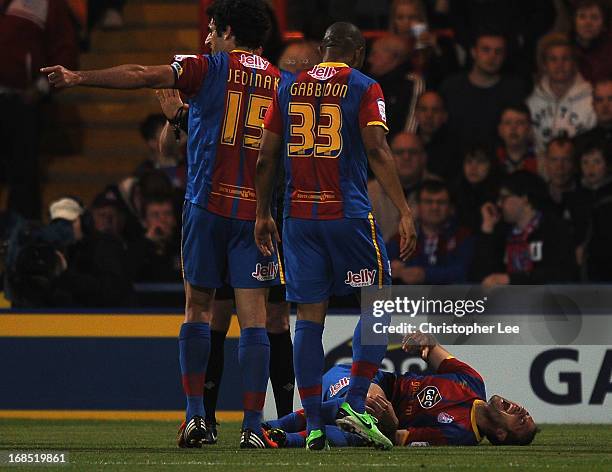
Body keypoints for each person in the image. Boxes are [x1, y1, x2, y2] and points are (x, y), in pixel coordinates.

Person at [42, 0, 283, 449]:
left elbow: (139, 73)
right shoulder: (281, 82)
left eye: (212, 29)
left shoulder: (206, 67)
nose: (207, 37)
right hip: (254, 213)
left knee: (197, 309)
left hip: (206, 207)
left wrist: (80, 76)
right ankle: (253, 425)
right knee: (254, 320)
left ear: (228, 32)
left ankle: (195, 418)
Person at [255, 22, 417, 450]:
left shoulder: (287, 89)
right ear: (359, 53)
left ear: (322, 51)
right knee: (378, 303)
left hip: (298, 219)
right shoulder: (364, 86)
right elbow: (378, 149)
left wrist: (261, 215)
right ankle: (356, 403)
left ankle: (310, 424)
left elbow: (265, 159)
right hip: (345, 213)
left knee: (308, 319)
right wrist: (403, 210)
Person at [264, 331, 539, 447]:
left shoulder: (459, 435)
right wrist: (425, 341)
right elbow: (432, 350)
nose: (520, 409)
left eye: (521, 419)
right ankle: (273, 427)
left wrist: (390, 422)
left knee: (363, 433)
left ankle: (279, 436)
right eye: (525, 411)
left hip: (374, 412)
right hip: (361, 378)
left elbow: (397, 436)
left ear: (501, 434)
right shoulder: (472, 381)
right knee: (366, 405)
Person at [0, 0, 78, 219]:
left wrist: (41, 87)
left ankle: (23, 234)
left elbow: (65, 51)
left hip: (20, 101)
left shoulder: (46, 4)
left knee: (24, 176)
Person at [471, 171, 577, 285]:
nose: (499, 204)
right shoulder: (502, 230)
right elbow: (479, 276)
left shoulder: (553, 229)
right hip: (505, 300)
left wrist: (512, 279)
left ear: (525, 199)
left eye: (504, 197)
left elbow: (562, 274)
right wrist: (487, 228)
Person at [440, 30, 528, 153]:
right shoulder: (451, 87)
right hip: (455, 161)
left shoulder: (514, 89)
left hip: (500, 163)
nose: (492, 57)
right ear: (473, 52)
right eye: (486, 50)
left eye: (498, 51)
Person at [388, 180, 474, 285]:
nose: (434, 207)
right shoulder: (401, 239)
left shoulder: (463, 237)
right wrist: (391, 267)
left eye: (441, 202)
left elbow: (464, 272)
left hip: (452, 300)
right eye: (428, 202)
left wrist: (425, 274)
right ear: (418, 207)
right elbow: (379, 266)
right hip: (410, 299)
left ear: (451, 208)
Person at [527, 33, 596, 156]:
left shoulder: (591, 98)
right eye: (553, 59)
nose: (560, 65)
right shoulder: (531, 99)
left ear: (574, 62)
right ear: (544, 64)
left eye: (565, 59)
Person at [369, 132, 439, 242]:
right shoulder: (369, 192)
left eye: (413, 152)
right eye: (399, 152)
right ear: (388, 157)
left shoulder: (440, 190)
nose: (406, 157)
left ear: (424, 157)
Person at [387, 0, 460, 88]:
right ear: (393, 21)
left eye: (412, 17)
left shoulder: (439, 43)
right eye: (400, 17)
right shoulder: (383, 46)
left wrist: (436, 48)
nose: (406, 23)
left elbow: (451, 76)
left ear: (421, 19)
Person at [366, 34, 425, 138]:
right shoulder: (370, 83)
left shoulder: (412, 83)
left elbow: (411, 123)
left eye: (374, 54)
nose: (370, 60)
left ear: (392, 57)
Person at [414, 91, 457, 179]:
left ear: (445, 116)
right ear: (416, 114)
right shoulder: (407, 143)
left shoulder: (455, 148)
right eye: (423, 109)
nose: (429, 115)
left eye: (435, 110)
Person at [571, 0, 612, 85]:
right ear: (575, 21)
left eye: (594, 17)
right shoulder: (564, 48)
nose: (588, 23)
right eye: (582, 17)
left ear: (604, 24)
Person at [496, 103, 538, 175]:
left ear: (529, 129)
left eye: (520, 123)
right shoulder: (492, 160)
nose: (513, 128)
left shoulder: (542, 162)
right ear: (500, 130)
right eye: (508, 123)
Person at [573, 78, 612, 157]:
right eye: (599, 100)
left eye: (611, 99)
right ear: (593, 105)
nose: (605, 105)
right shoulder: (580, 143)